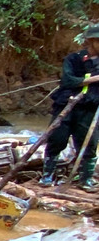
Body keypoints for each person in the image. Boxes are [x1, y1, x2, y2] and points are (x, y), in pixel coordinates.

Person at [40, 24, 99, 187]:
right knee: (57, 139)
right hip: (66, 104)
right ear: (92, 41)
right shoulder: (74, 59)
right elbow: (68, 80)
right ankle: (47, 176)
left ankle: (85, 178)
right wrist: (94, 79)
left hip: (90, 108)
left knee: (89, 143)